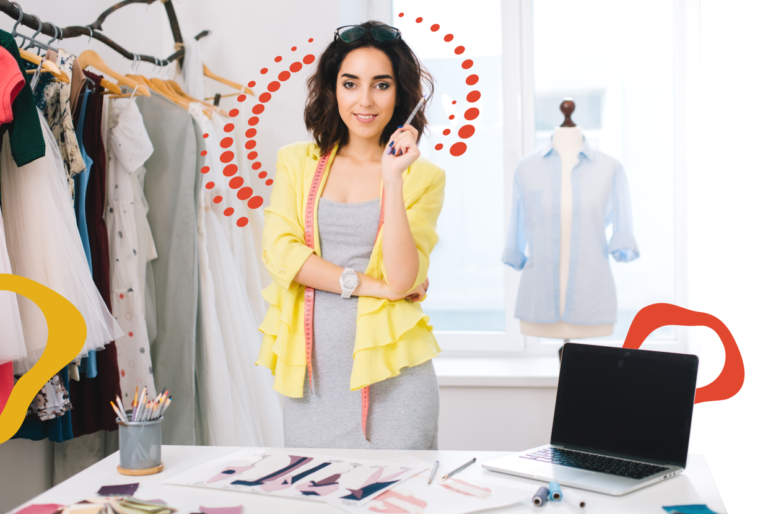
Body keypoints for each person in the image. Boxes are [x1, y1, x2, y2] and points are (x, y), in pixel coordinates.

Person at [256, 21, 446, 450]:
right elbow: (281, 253)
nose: (364, 100)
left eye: (381, 84)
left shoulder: (424, 178)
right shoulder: (295, 162)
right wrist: (371, 286)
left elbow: (403, 279)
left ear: (401, 94)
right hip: (314, 384)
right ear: (332, 89)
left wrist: (393, 178)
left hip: (396, 383)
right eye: (350, 83)